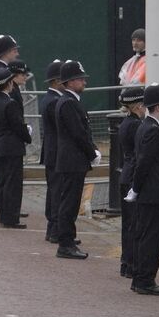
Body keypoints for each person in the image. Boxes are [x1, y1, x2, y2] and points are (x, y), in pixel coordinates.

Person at [121, 83, 159, 295]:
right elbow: (144, 163)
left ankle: (141, 277)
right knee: (152, 238)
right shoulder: (152, 129)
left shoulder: (144, 126)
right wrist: (136, 188)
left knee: (144, 235)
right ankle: (145, 279)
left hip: (147, 192)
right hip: (153, 193)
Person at [46, 61, 94, 259]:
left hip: (72, 159)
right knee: (69, 203)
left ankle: (68, 239)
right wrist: (92, 152)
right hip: (72, 160)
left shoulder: (68, 101)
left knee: (71, 202)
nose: (83, 81)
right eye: (79, 79)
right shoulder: (68, 103)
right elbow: (78, 134)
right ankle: (65, 243)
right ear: (69, 82)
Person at [0, 62, 30, 228]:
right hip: (12, 147)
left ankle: (4, 216)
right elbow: (18, 126)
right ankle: (12, 217)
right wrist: (28, 135)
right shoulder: (9, 104)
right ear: (8, 83)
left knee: (2, 182)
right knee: (13, 183)